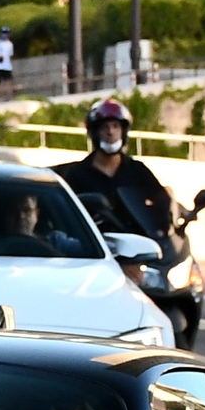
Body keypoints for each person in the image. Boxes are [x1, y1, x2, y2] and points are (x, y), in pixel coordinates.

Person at [55, 98, 173, 286]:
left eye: (116, 126)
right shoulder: (76, 174)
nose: (110, 132)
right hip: (93, 255)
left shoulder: (137, 170)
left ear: (124, 132)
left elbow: (160, 200)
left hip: (135, 254)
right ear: (94, 132)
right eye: (104, 127)